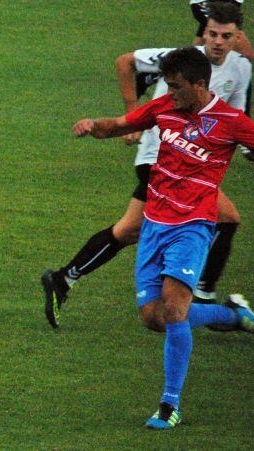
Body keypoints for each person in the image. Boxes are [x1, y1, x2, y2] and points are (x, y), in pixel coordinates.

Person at [72, 47, 254, 429]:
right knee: (154, 318)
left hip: (194, 226)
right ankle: (232, 315)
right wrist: (93, 125)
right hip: (154, 224)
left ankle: (169, 405)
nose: (169, 94)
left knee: (173, 309)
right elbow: (121, 125)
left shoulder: (231, 121)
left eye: (176, 87)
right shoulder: (164, 109)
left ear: (200, 85)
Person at [42, 1, 252, 328]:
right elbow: (126, 62)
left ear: (238, 36)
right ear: (204, 31)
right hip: (159, 155)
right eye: (212, 33)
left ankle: (65, 277)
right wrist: (133, 116)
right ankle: (206, 297)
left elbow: (236, 119)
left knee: (127, 230)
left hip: (196, 162)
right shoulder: (179, 59)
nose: (217, 42)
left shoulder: (241, 69)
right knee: (225, 218)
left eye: (226, 36)